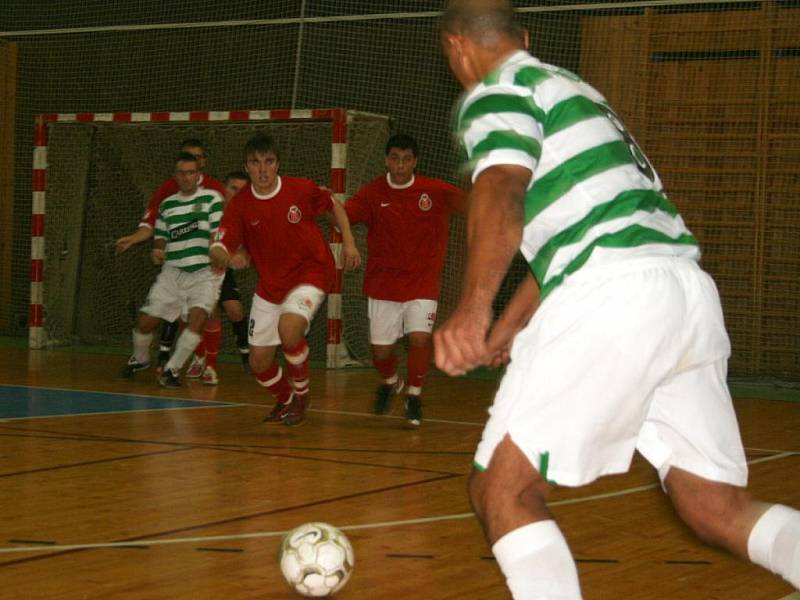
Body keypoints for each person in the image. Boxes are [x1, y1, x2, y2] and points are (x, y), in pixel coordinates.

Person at [435, 1, 800, 598]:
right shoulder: (573, 90)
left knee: (504, 490)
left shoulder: (496, 90)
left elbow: (502, 189)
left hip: (612, 295)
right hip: (682, 294)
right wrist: (507, 325)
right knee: (714, 505)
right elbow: (578, 223)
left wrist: (473, 307)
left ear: (456, 47)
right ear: (524, 36)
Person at [209, 134, 361, 426]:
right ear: (247, 167)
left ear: (277, 164)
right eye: (255, 163)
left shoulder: (300, 189)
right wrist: (224, 257)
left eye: (268, 162)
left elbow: (332, 206)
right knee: (259, 364)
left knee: (289, 328)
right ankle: (286, 398)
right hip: (271, 284)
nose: (263, 169)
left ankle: (302, 396)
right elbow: (219, 244)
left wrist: (350, 241)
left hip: (312, 271)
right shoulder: (240, 205)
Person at [345, 134, 463, 426]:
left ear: (415, 162)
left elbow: (476, 205)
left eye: (406, 159)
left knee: (419, 338)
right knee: (381, 351)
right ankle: (392, 381)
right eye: (395, 158)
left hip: (422, 282)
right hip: (383, 285)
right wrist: (325, 208)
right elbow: (343, 216)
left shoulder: (434, 191)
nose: (400, 165)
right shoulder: (372, 193)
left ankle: (414, 395)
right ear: (386, 160)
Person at [116, 139, 227, 372]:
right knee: (152, 320)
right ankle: (148, 358)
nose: (187, 175)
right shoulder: (167, 197)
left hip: (207, 266)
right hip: (174, 269)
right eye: (183, 169)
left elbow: (223, 228)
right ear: (176, 171)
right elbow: (156, 228)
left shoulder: (214, 194)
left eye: (194, 166)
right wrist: (145, 242)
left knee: (204, 314)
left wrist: (223, 252)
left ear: (201, 167)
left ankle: (191, 366)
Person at [185, 171, 252, 384]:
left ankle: (243, 350)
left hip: (221, 269)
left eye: (241, 190)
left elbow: (246, 248)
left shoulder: (244, 216)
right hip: (197, 267)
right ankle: (203, 361)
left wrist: (240, 257)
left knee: (234, 310)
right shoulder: (206, 208)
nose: (236, 193)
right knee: (202, 312)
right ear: (224, 188)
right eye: (232, 188)